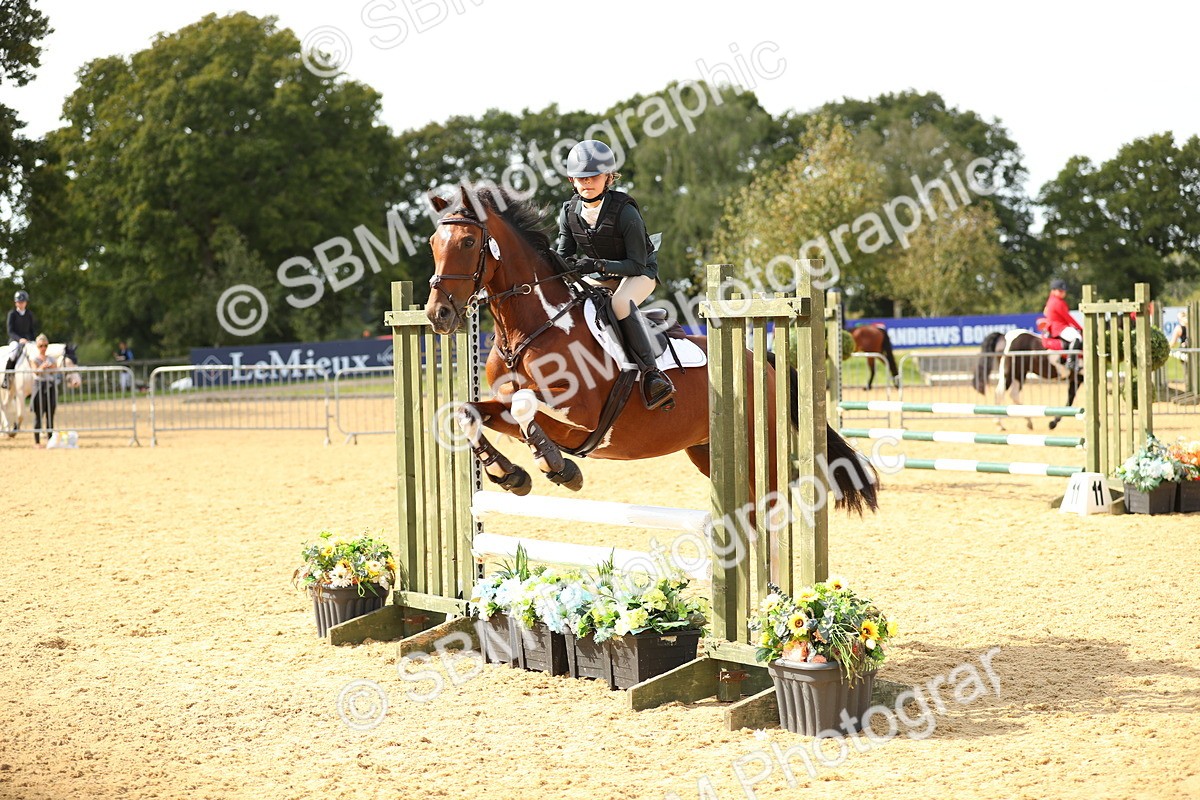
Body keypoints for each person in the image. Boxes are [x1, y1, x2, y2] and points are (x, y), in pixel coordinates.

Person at [554, 139, 674, 410]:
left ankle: (652, 375)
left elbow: (635, 264)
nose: (587, 182)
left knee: (619, 303)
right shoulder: (568, 211)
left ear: (608, 177)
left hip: (639, 273)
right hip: (603, 273)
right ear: (572, 180)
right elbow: (564, 255)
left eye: (594, 176)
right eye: (581, 177)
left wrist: (597, 266)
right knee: (571, 302)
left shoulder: (626, 211)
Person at [1042, 279, 1083, 368]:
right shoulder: (1057, 302)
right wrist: (1080, 328)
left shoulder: (1050, 301)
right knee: (1077, 337)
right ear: (1053, 290)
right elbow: (1068, 318)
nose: (1063, 293)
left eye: (1064, 291)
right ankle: (1070, 361)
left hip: (1058, 326)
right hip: (1059, 327)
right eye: (1060, 290)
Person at [3, 290, 38, 390]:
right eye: (19, 302)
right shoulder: (12, 314)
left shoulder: (29, 314)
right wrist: (20, 339)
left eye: (23, 302)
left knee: (36, 351)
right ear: (16, 303)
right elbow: (10, 331)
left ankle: (36, 378)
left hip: (28, 341)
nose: (21, 304)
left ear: (26, 302)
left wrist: (31, 340)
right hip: (15, 340)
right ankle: (7, 378)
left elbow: (32, 330)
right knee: (13, 355)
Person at [29, 334, 58, 447]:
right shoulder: (34, 359)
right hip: (39, 387)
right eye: (41, 345)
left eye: (45, 345)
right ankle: (37, 442)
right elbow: (35, 371)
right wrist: (42, 367)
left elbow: (56, 369)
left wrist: (51, 367)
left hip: (50, 387)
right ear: (37, 346)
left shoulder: (51, 358)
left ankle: (50, 440)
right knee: (38, 415)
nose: (43, 348)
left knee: (50, 415)